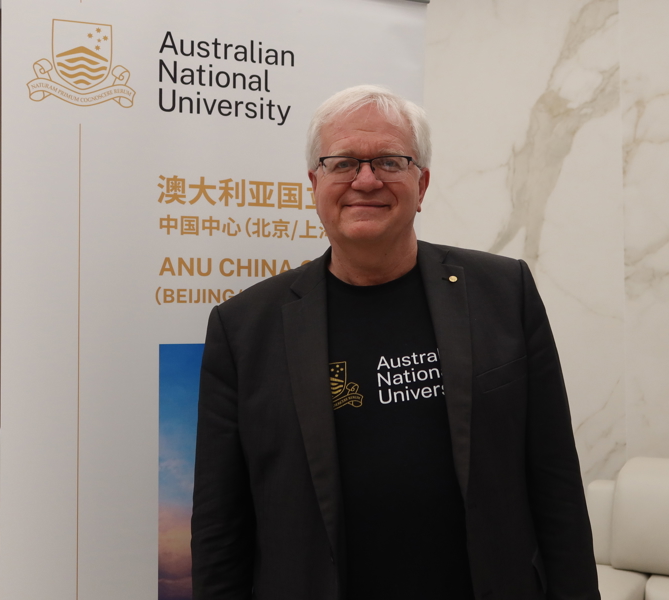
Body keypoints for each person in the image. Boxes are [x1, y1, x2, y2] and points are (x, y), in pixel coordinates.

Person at [192, 85, 599, 600]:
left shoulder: (503, 293)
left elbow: (556, 484)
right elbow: (220, 525)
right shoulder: (243, 328)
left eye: (390, 161)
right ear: (315, 183)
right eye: (343, 163)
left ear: (421, 183)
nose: (366, 180)